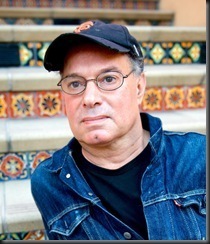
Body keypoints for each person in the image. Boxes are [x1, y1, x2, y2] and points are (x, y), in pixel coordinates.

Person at [31, 20, 206, 240]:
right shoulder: (50, 183)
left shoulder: (197, 157)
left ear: (139, 87)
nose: (90, 98)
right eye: (75, 84)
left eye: (109, 79)